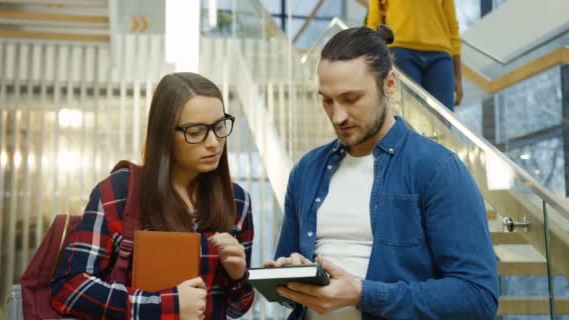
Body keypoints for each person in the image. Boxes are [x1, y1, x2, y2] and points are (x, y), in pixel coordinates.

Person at [265, 27, 498, 319]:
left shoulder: (437, 169)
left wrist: (363, 294)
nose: (338, 116)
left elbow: (478, 296)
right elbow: (284, 294)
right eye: (327, 100)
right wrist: (293, 277)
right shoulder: (306, 170)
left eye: (351, 98)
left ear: (389, 84)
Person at [50, 72, 254, 320]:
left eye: (219, 126)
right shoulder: (121, 192)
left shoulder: (237, 201)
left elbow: (237, 308)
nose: (213, 143)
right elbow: (69, 289)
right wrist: (163, 306)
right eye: (196, 131)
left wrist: (238, 275)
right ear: (165, 133)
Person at [366, 0, 463, 110]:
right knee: (409, 116)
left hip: (440, 56)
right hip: (401, 52)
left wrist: (458, 78)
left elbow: (452, 25)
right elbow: (374, 20)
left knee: (443, 121)